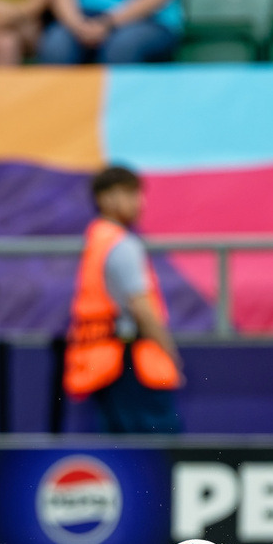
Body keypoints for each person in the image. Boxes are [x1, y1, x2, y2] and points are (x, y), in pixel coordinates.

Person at [63, 165, 182, 433]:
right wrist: (170, 352)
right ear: (106, 199)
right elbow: (141, 307)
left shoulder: (96, 240)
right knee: (159, 456)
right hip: (132, 367)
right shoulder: (122, 245)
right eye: (130, 194)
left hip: (106, 366)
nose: (140, 202)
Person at [37, 0, 182, 65]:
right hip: (82, 16)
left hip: (147, 19)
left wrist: (108, 23)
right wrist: (76, 24)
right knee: (56, 46)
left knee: (122, 47)